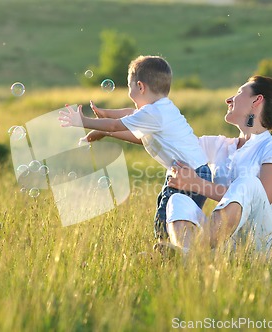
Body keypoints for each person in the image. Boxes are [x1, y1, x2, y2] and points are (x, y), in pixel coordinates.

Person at [58, 55, 211, 239]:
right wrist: (106, 119)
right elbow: (132, 118)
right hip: (195, 172)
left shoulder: (154, 113)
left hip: (189, 174)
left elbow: (117, 124)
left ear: (140, 86)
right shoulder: (162, 108)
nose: (130, 96)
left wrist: (83, 121)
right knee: (172, 211)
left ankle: (169, 253)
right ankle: (180, 250)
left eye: (130, 89)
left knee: (166, 216)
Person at [164, 75, 272, 260]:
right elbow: (169, 141)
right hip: (224, 250)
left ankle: (194, 256)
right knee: (179, 201)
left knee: (249, 184)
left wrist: (197, 184)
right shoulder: (220, 145)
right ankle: (192, 257)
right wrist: (112, 125)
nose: (229, 100)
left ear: (257, 100)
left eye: (238, 93)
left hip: (263, 249)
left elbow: (261, 197)